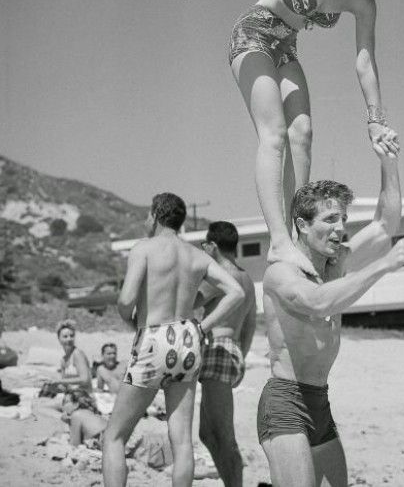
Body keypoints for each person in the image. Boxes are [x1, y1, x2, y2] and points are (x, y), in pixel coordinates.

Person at [130, 0, 404, 274]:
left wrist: (375, 119)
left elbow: (365, 60)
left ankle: (296, 234)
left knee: (302, 133)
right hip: (253, 32)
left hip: (286, 47)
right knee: (273, 133)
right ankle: (278, 241)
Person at [258, 148, 404, 487]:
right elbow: (317, 302)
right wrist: (383, 265)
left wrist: (389, 161)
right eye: (330, 220)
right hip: (286, 402)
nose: (341, 228)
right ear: (303, 225)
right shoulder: (282, 273)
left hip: (319, 400)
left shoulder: (337, 263)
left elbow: (384, 225)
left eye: (344, 219)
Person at [102, 193, 245, 487]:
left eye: (148, 215)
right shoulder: (197, 255)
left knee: (114, 437)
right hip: (188, 338)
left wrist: (130, 321)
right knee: (181, 443)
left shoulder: (144, 248)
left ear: (156, 214)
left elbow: (126, 300)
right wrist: (202, 328)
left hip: (154, 335)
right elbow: (236, 292)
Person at [195, 220, 257, 487]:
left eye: (204, 245)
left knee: (223, 435)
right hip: (232, 351)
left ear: (213, 245)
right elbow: (250, 325)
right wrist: (240, 356)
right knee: (207, 434)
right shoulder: (247, 279)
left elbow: (188, 302)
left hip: (217, 350)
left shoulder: (219, 276)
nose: (203, 249)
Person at [41, 319, 93, 395]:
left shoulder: (77, 354)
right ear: (59, 339)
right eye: (65, 337)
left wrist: (59, 381)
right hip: (71, 394)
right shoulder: (63, 360)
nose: (69, 339)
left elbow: (85, 379)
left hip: (84, 395)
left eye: (72, 336)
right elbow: (65, 385)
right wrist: (52, 385)